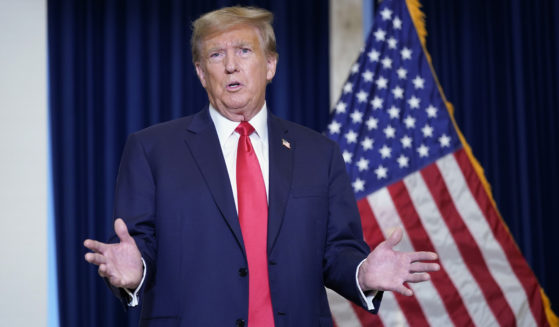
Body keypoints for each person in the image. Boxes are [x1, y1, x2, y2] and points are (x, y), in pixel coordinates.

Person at [84, 6, 439, 327]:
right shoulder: (152, 149)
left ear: (270, 65)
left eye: (244, 50)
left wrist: (362, 272)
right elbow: (138, 244)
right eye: (216, 54)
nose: (230, 65)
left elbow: (337, 249)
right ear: (201, 72)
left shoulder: (320, 153)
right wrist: (135, 270)